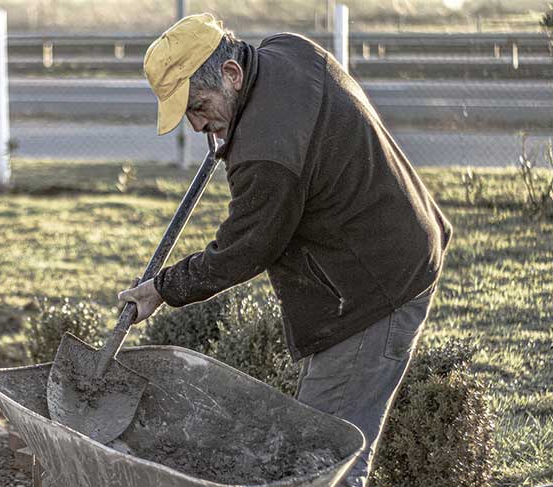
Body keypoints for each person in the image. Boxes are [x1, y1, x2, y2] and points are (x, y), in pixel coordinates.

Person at [118, 13, 452, 486]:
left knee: (325, 460)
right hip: (392, 245)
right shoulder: (286, 50)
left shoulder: (266, 153)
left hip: (370, 290)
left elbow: (244, 249)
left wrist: (164, 288)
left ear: (232, 75)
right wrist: (227, 125)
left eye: (198, 106)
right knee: (325, 443)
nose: (195, 126)